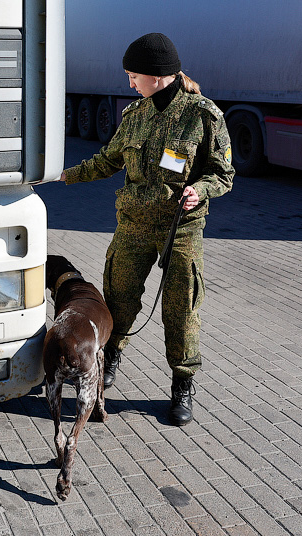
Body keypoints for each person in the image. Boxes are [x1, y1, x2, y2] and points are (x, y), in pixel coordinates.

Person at [59, 33, 234, 426]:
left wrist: (200, 190)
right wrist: (64, 175)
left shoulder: (203, 116)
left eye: (133, 76)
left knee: (181, 309)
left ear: (156, 76)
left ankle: (182, 383)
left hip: (180, 229)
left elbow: (223, 174)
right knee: (118, 298)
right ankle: (109, 358)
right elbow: (107, 160)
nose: (130, 84)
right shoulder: (134, 115)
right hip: (134, 224)